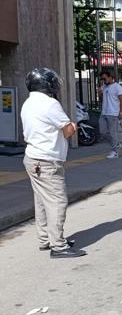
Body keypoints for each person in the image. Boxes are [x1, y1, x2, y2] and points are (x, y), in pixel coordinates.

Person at [20, 68, 85, 258]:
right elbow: (67, 131)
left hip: (33, 158)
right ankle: (59, 246)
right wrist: (73, 125)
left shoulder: (28, 103)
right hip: (47, 161)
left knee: (41, 201)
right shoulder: (50, 104)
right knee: (57, 201)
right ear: (47, 85)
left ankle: (45, 240)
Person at [99, 71, 122, 159]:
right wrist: (100, 93)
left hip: (113, 113)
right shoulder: (104, 87)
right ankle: (117, 144)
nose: (103, 80)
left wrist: (121, 112)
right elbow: (102, 100)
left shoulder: (117, 87)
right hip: (104, 112)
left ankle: (115, 152)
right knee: (102, 132)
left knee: (113, 133)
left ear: (110, 77)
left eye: (104, 78)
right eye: (102, 79)